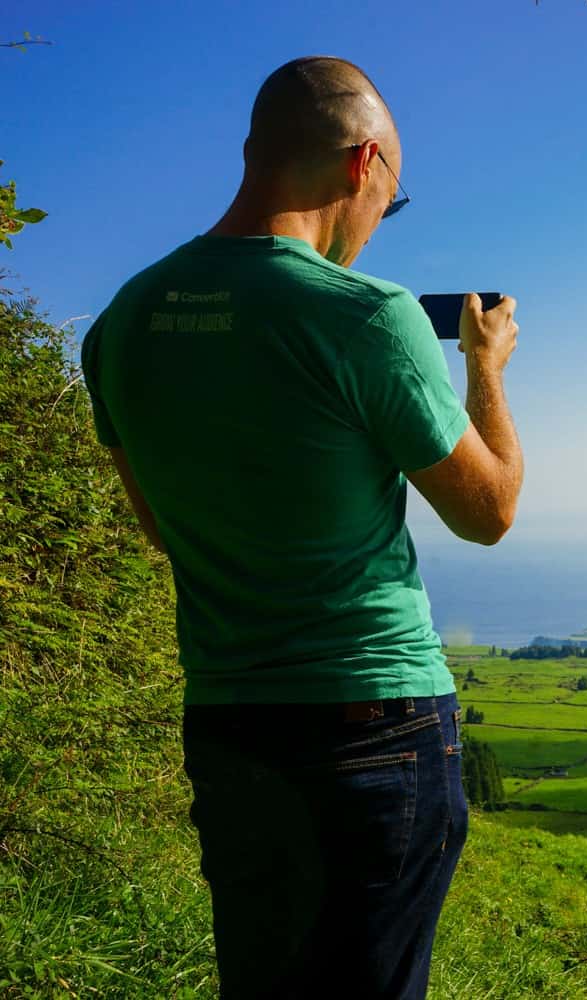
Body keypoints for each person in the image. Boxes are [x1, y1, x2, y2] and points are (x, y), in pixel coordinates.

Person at [78, 56, 523, 998]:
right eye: (391, 201)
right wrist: (486, 369)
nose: (375, 227)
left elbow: (164, 529)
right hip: (377, 729)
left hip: (229, 729)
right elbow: (489, 513)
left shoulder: (119, 324)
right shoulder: (368, 317)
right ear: (363, 165)